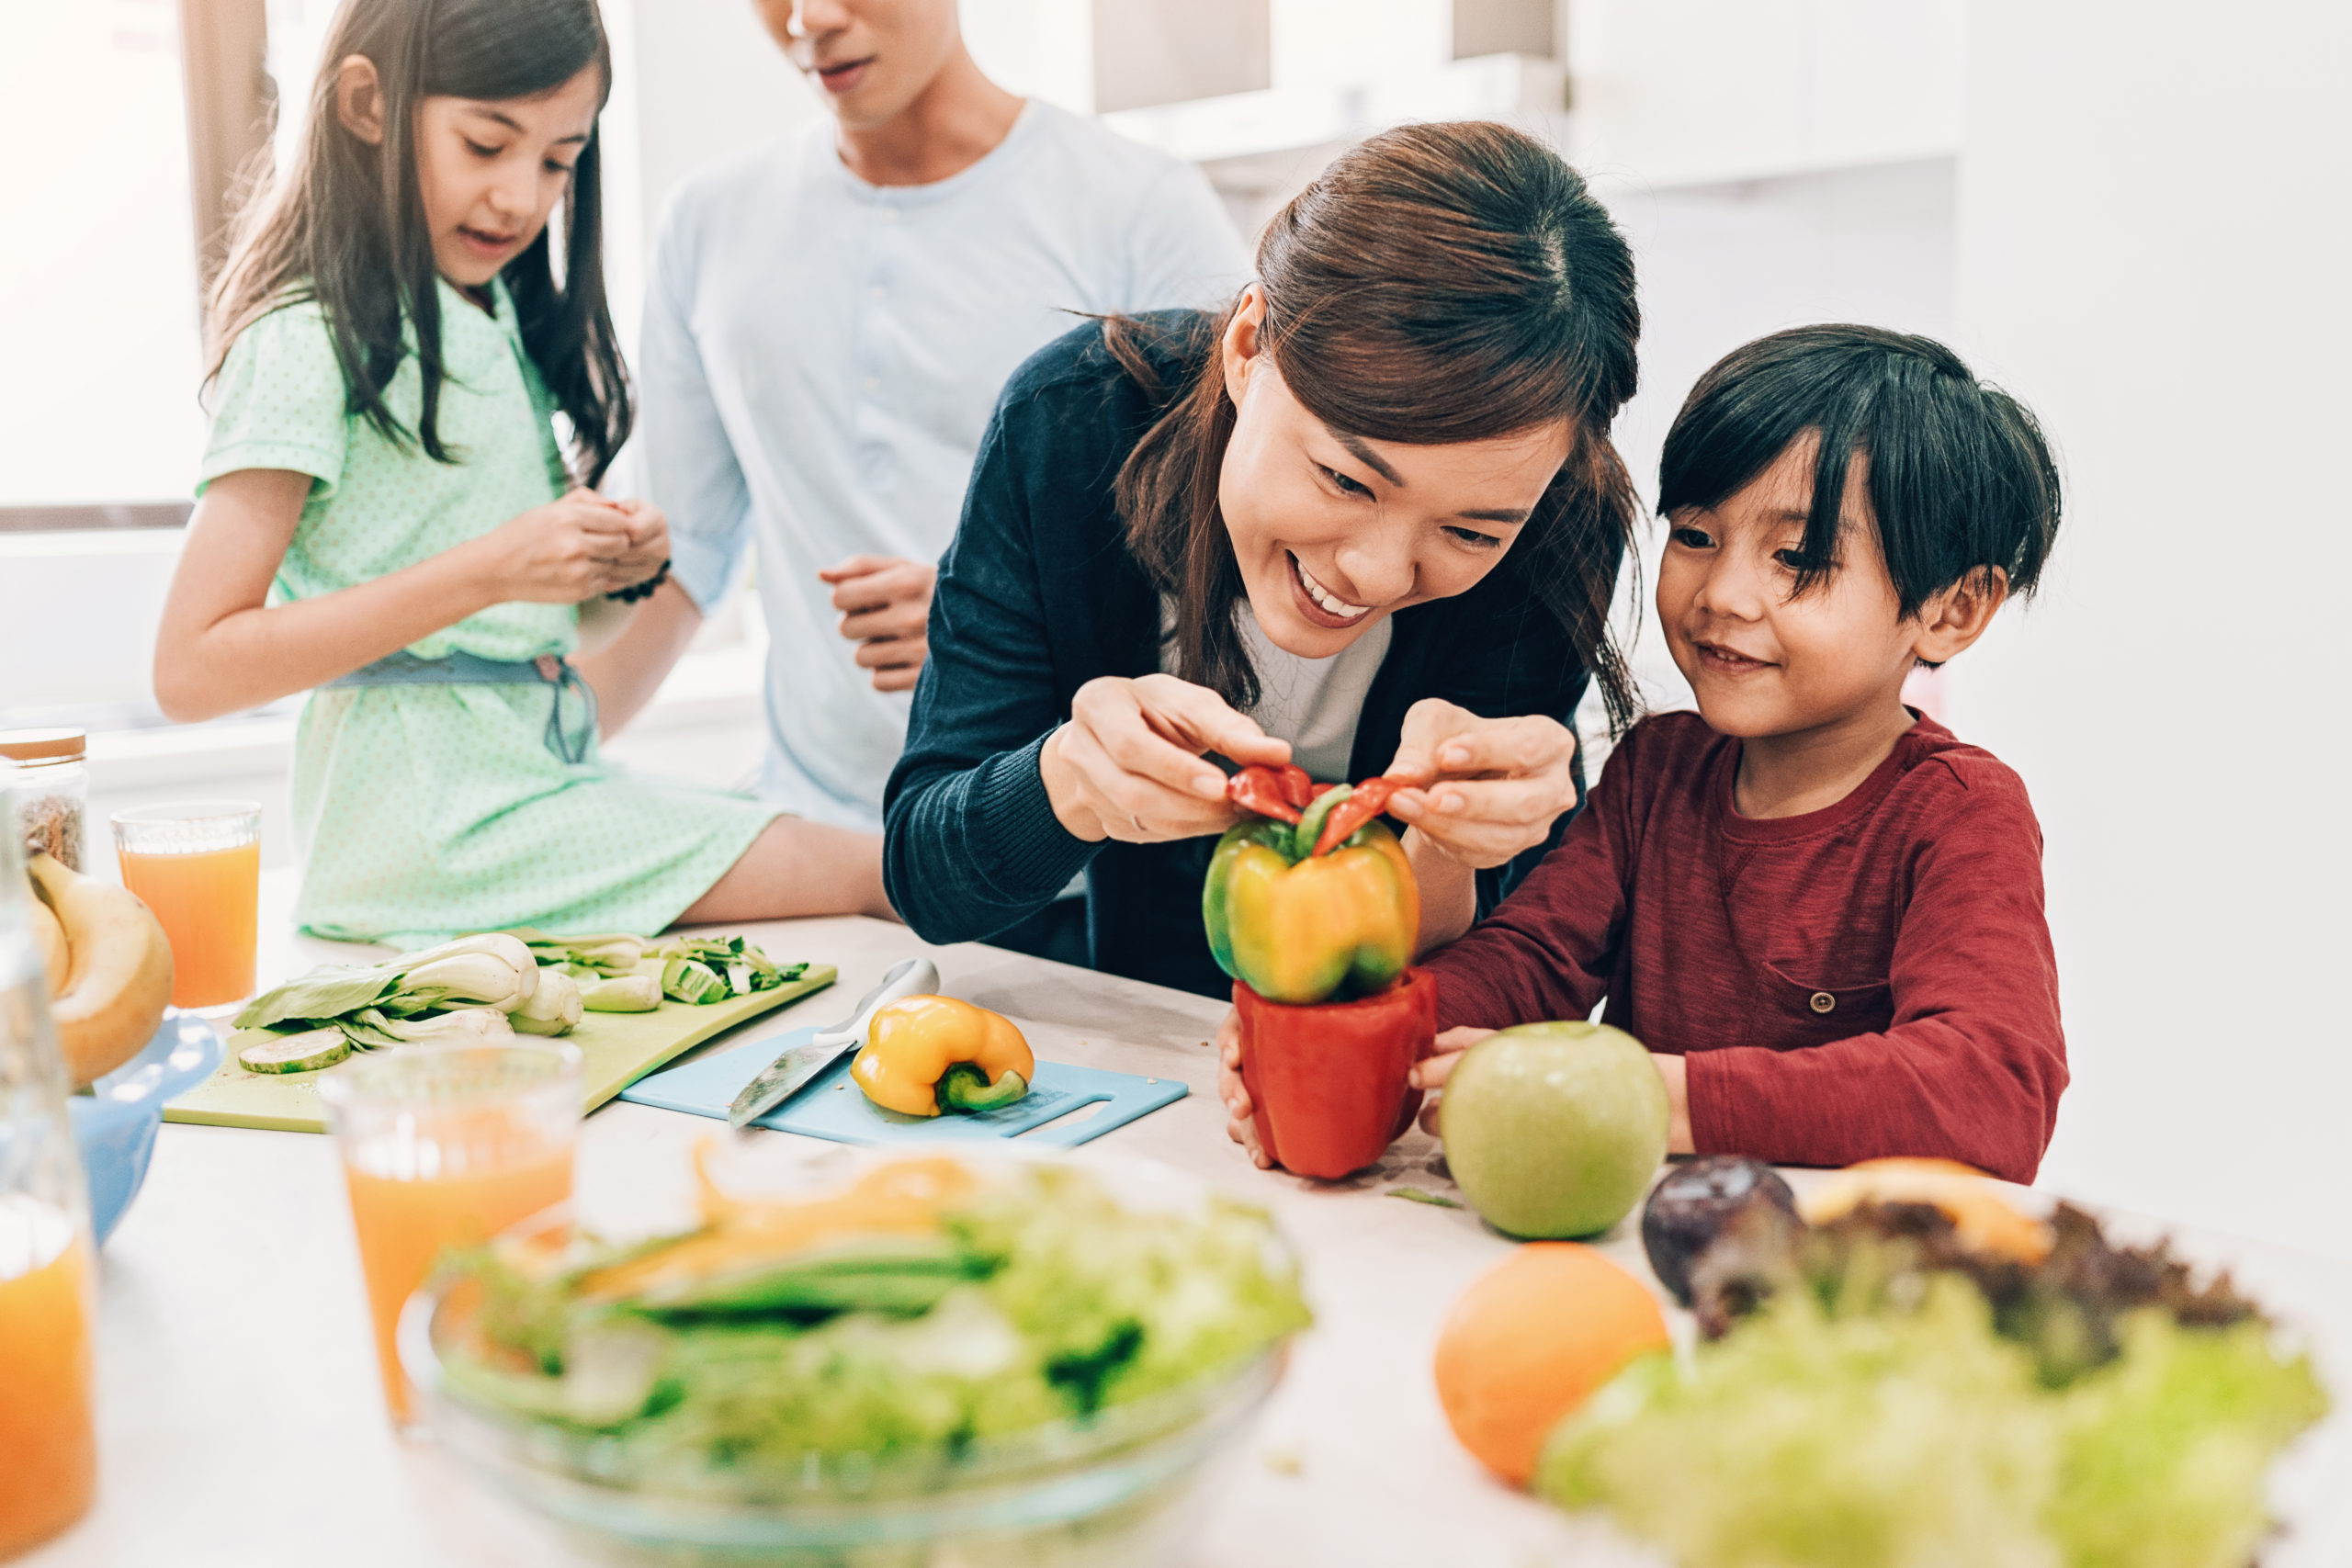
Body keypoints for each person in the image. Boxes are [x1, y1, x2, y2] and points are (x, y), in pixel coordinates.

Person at [1227, 325, 2070, 1183]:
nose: (1723, 596)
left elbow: (1994, 1087)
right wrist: (1351, 1035)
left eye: (1798, 557)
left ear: (1954, 609)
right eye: (1697, 536)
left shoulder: (1963, 810)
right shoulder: (1657, 768)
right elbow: (1530, 959)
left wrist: (1646, 1094)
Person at [153, 0, 891, 947]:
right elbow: (189, 670)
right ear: (367, 105)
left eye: (556, 161)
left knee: (858, 868)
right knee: (872, 870)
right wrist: (497, 565)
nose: (520, 198)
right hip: (430, 828)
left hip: (525, 785)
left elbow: (506, 616)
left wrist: (608, 567)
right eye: (485, 144)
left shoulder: (486, 316)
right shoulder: (306, 338)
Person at [885, 121, 1645, 998]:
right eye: (1345, 478)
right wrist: (1066, 778)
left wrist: (1458, 842)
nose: (1377, 573)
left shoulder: (1557, 524)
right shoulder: (1070, 426)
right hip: (1132, 1039)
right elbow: (926, 879)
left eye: (1471, 533)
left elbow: (1492, 968)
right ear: (1248, 346)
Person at [582, 0, 1246, 934]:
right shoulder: (708, 222)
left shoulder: (1135, 204)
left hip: (1069, 871)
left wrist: (990, 625)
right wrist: (528, 758)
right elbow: (681, 554)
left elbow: (1235, 555)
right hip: (819, 868)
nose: (808, 20)